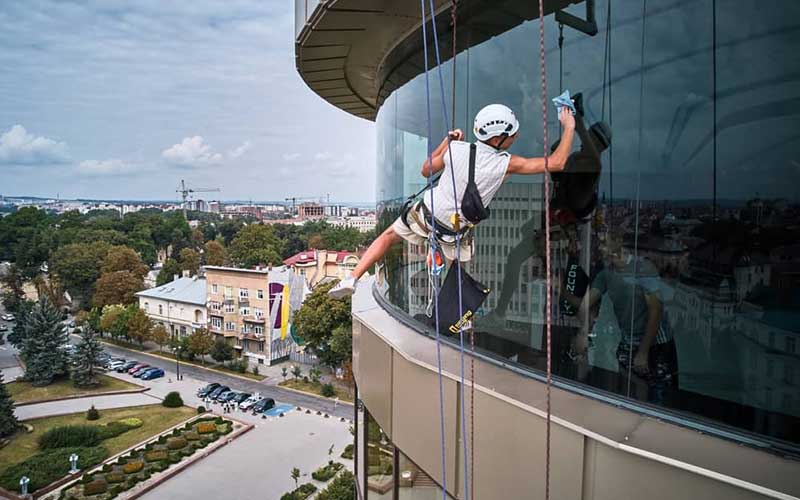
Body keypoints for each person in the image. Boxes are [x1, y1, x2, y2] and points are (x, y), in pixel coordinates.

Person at [329, 103, 576, 299]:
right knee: (456, 271)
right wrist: (569, 126)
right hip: (454, 229)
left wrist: (447, 142)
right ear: (498, 139)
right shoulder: (507, 164)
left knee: (387, 237)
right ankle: (458, 311)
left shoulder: (456, 149)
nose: (516, 136)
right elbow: (557, 162)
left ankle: (352, 278)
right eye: (512, 134)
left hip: (426, 214)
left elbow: (426, 170)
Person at [564, 234, 679, 404]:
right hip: (629, 341)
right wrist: (582, 333)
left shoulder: (643, 268)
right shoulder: (605, 274)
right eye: (600, 244)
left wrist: (643, 351)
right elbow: (585, 305)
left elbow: (655, 311)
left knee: (659, 398)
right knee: (631, 390)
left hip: (656, 345)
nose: (600, 248)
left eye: (604, 243)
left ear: (618, 242)